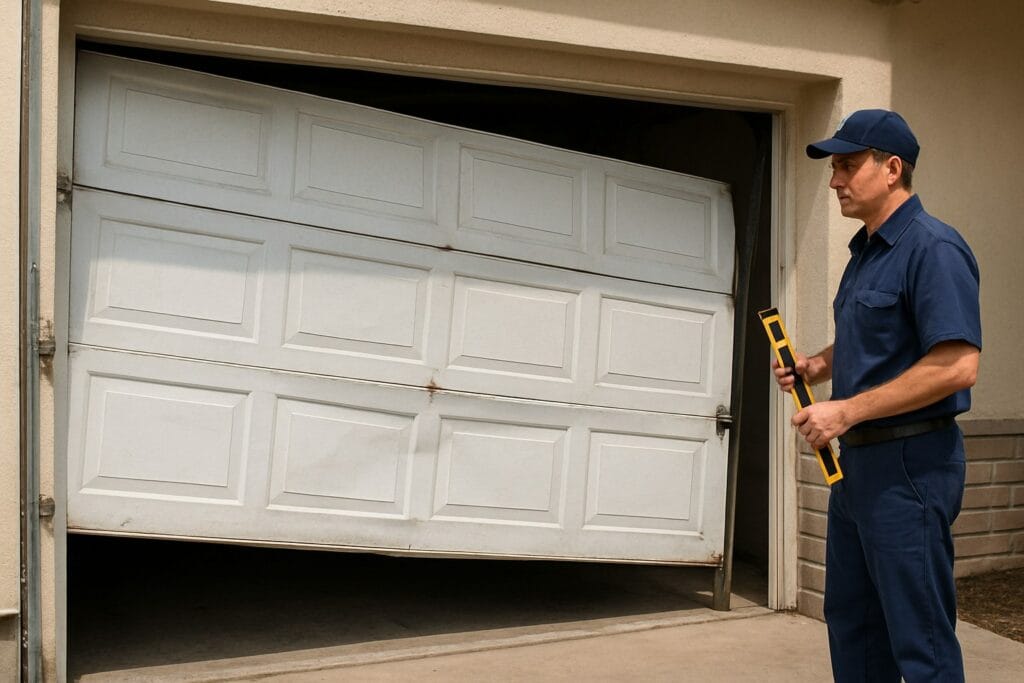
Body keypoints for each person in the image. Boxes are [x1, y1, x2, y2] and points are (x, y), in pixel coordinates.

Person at [772, 109, 982, 682]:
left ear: (892, 169)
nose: (835, 180)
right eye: (833, 168)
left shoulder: (934, 248)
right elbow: (876, 335)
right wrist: (816, 366)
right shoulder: (866, 253)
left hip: (911, 466)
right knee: (854, 624)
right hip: (859, 466)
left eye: (846, 165)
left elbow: (958, 364)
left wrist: (845, 409)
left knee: (921, 639)